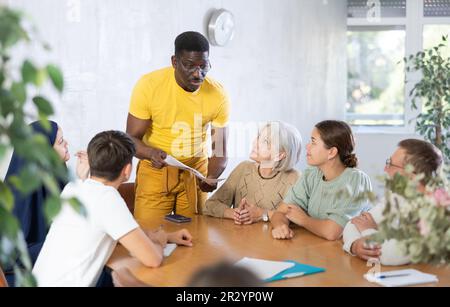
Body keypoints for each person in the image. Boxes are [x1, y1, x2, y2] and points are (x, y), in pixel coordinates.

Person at [32, 131, 193, 287]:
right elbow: (153, 259)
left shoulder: (73, 188)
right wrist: (160, 241)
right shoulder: (107, 199)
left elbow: (119, 230)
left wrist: (168, 236)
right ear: (127, 170)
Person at [126, 31, 230, 225]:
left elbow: (220, 150)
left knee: (196, 237)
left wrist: (212, 177)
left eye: (203, 66)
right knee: (150, 234)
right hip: (156, 168)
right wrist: (150, 153)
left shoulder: (218, 94)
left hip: (196, 171)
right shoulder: (149, 85)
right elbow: (130, 138)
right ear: (174, 61)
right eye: (189, 65)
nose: (198, 74)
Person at [343, 139, 443, 265]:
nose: (385, 169)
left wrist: (368, 231)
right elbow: (353, 224)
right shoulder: (397, 196)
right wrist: (355, 245)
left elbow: (391, 255)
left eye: (390, 164)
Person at [4, 121, 89, 267]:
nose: (66, 143)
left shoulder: (56, 176)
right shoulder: (25, 188)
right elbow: (17, 255)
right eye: (61, 141)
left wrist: (82, 179)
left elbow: (74, 220)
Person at [270, 120, 372, 241]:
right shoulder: (311, 174)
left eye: (313, 142)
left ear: (332, 152)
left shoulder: (356, 180)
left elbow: (332, 232)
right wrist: (280, 226)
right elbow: (281, 212)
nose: (307, 146)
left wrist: (304, 220)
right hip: (316, 248)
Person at [204, 121, 302, 224]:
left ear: (279, 155)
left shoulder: (294, 178)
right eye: (259, 137)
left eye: (265, 141)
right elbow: (210, 205)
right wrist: (235, 214)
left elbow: (297, 218)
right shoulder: (243, 168)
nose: (255, 143)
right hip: (238, 238)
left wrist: (263, 214)